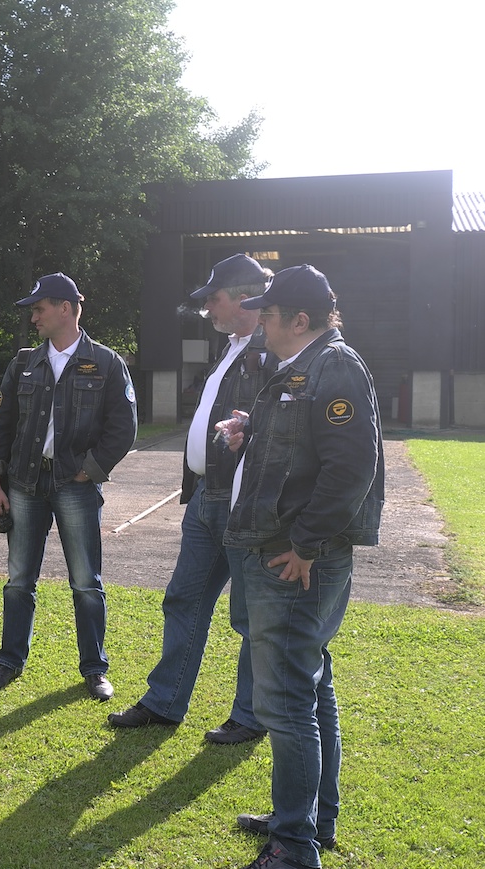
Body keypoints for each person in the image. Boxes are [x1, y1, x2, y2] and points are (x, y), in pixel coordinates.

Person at [222, 265, 384, 869]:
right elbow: (307, 447)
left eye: (266, 314)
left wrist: (308, 545)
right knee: (310, 690)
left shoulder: (333, 366)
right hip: (286, 549)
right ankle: (312, 820)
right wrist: (254, 429)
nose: (259, 323)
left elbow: (351, 467)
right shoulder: (303, 367)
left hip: (295, 558)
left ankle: (293, 843)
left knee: (288, 703)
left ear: (298, 319)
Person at [108, 254, 275, 743]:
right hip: (206, 496)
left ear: (244, 298)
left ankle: (251, 716)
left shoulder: (274, 350)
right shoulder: (232, 347)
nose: (207, 308)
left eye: (213, 298)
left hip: (242, 502)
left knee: (251, 615)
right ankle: (164, 703)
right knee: (184, 599)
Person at [0, 273, 137, 701]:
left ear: (65, 308)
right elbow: (0, 425)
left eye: (39, 309)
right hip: (24, 483)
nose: (34, 318)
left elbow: (124, 427)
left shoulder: (106, 363)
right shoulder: (23, 363)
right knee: (18, 580)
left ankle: (95, 669)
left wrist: (90, 470)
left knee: (86, 581)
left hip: (75, 486)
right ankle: (9, 662)